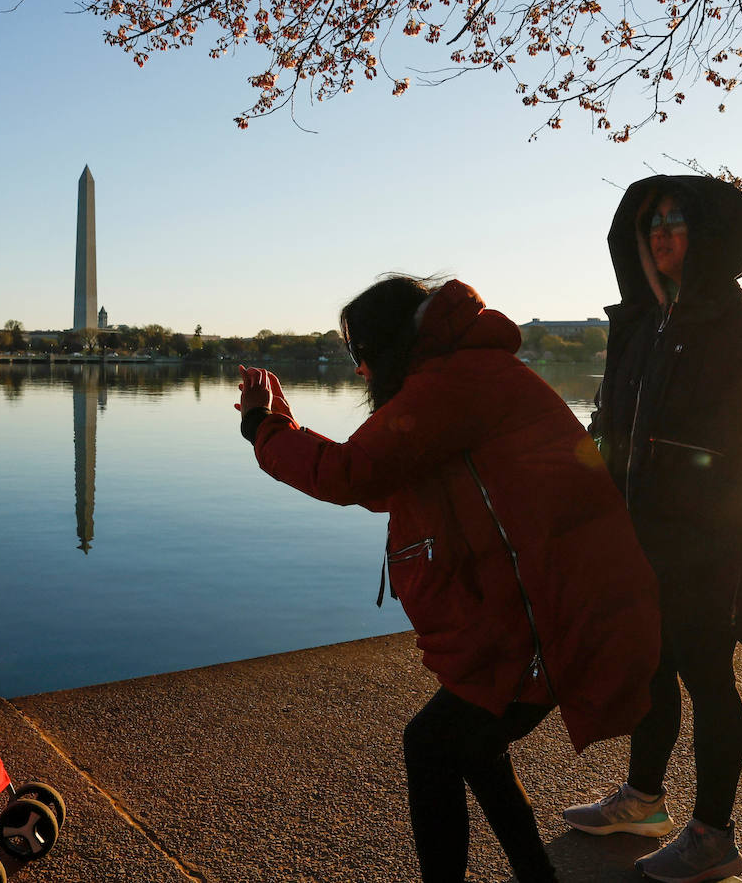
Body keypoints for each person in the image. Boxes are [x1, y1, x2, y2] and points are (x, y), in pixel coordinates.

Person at [235, 276, 662, 883]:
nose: (360, 373)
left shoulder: (452, 383)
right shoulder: (465, 372)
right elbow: (388, 482)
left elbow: (352, 474)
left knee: (432, 745)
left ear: (388, 345)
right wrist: (280, 425)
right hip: (558, 594)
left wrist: (263, 429)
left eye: (362, 356)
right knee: (474, 747)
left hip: (554, 606)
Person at [563, 176, 742, 883]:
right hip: (637, 534)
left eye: (676, 220)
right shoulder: (644, 324)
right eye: (651, 224)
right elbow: (613, 424)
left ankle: (714, 836)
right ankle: (644, 800)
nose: (661, 233)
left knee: (708, 675)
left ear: (713, 237)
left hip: (711, 541)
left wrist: (717, 503)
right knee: (651, 664)